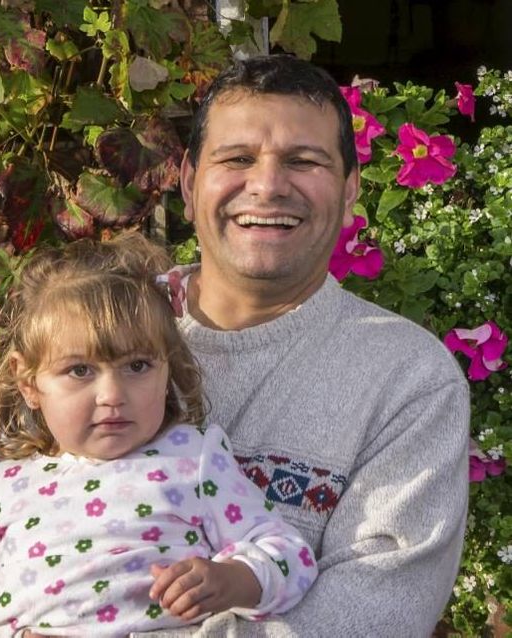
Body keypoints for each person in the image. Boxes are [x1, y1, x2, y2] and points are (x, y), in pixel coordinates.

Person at [154, 54, 470, 636]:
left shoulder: (406, 378)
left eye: (303, 161)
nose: (268, 186)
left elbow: (373, 616)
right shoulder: (99, 334)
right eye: (237, 158)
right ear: (188, 180)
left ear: (350, 190)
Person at [0, 235, 318, 637]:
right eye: (80, 371)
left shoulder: (191, 459)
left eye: (137, 366)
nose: (113, 395)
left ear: (168, 367)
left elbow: (289, 554)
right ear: (27, 382)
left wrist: (231, 580)